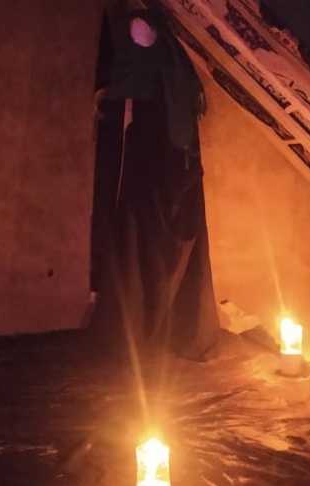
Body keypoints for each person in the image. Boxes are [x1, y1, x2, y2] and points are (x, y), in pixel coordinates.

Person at [92, 8, 219, 361]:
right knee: (148, 249)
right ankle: (151, 328)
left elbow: (138, 80)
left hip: (164, 157)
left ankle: (151, 328)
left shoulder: (147, 28)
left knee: (150, 248)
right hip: (165, 156)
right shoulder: (153, 33)